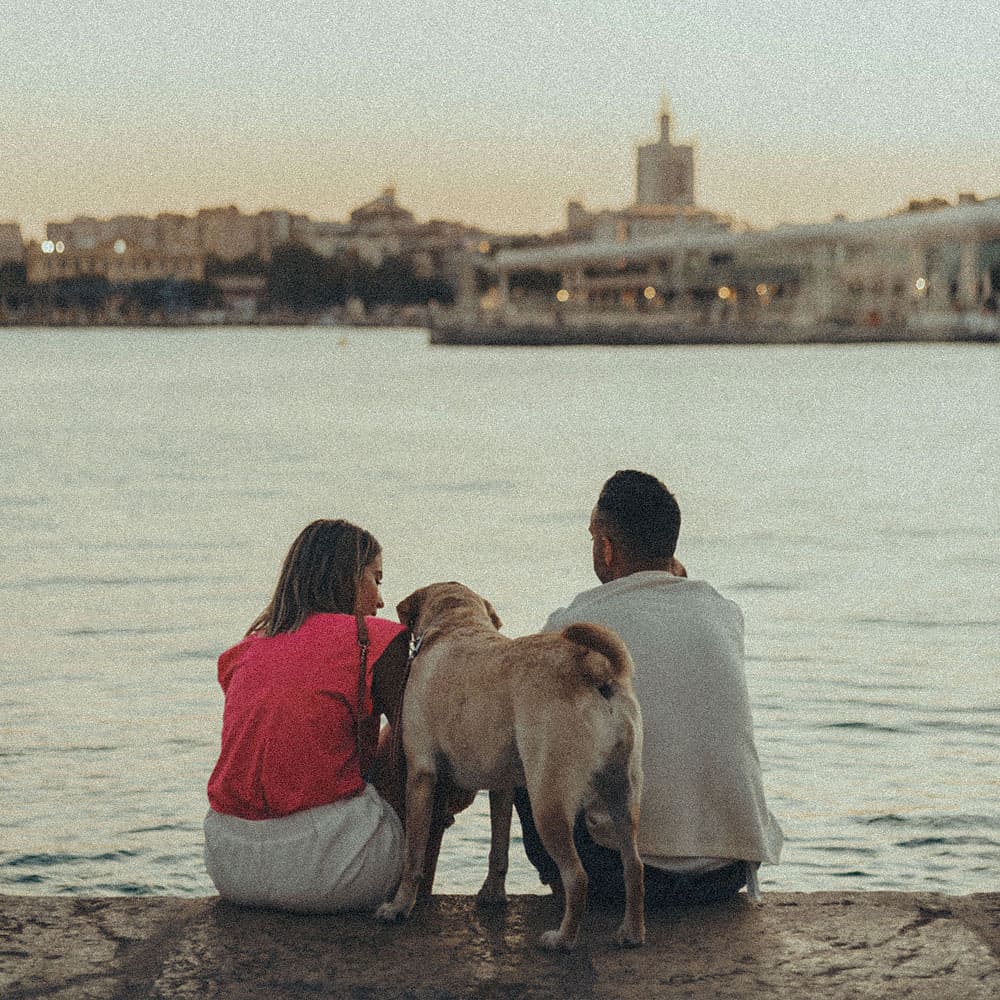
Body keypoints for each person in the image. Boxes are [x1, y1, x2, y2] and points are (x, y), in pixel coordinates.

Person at [514, 470, 783, 907]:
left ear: (605, 545)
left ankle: (566, 887)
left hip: (617, 875)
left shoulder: (573, 625)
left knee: (525, 729)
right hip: (727, 872)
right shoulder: (724, 612)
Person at [203, 518, 411, 913]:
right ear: (349, 577)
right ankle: (413, 899)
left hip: (230, 863)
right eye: (375, 580)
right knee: (425, 746)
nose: (380, 601)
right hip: (330, 869)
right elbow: (414, 743)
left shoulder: (244, 652)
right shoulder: (375, 638)